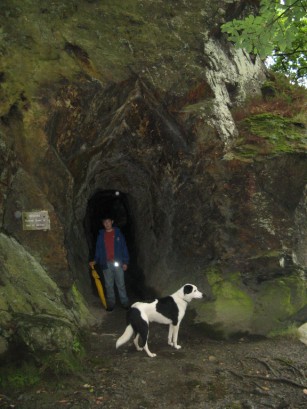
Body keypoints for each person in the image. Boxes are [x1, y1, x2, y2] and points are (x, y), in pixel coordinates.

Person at [89, 215, 130, 311]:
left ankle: (125, 302)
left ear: (112, 221)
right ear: (103, 224)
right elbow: (98, 250)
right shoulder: (101, 236)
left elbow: (124, 248)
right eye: (105, 222)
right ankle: (111, 304)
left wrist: (125, 262)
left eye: (108, 221)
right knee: (108, 285)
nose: (107, 224)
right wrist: (95, 260)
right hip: (106, 263)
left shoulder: (118, 234)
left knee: (121, 284)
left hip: (118, 263)